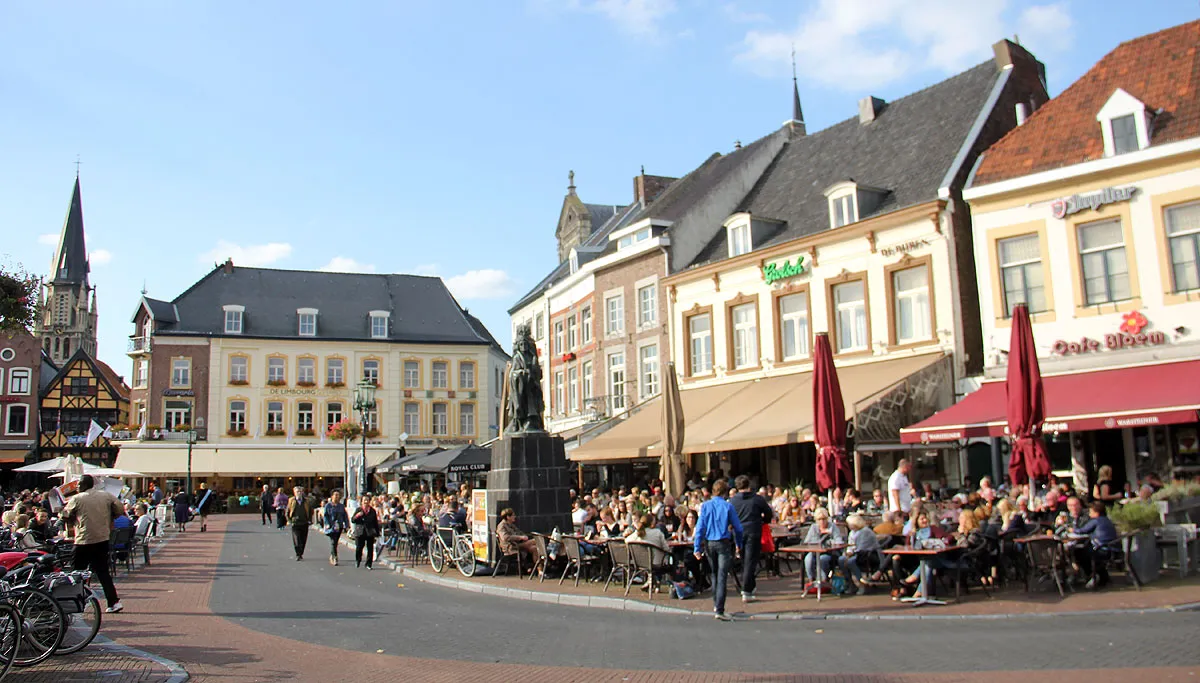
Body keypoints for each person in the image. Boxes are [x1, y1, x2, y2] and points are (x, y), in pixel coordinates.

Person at [60, 475, 124, 613]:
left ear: (83, 485)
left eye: (78, 485)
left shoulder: (77, 498)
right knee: (103, 572)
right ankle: (114, 601)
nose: (76, 487)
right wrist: (111, 517)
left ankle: (76, 600)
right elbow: (119, 507)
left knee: (77, 571)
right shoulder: (106, 495)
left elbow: (64, 515)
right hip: (102, 538)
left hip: (84, 539)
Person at [692, 479, 743, 621]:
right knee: (722, 576)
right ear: (725, 491)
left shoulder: (706, 506)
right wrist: (739, 544)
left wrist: (697, 547)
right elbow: (738, 528)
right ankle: (719, 609)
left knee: (714, 574)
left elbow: (700, 528)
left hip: (709, 543)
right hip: (723, 542)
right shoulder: (728, 507)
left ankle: (716, 604)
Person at [730, 474, 772, 603]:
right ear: (749, 485)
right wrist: (763, 521)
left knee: (744, 560)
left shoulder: (733, 501)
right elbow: (769, 513)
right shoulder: (757, 499)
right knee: (750, 561)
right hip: (753, 531)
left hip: (738, 532)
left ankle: (750, 586)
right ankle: (747, 590)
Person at [1073, 501, 1118, 589]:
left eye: (1091, 511)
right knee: (1083, 551)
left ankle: (1092, 575)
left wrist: (1073, 528)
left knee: (1078, 553)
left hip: (1101, 549)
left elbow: (1081, 530)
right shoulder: (1107, 520)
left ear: (1096, 512)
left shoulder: (1096, 521)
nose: (1089, 514)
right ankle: (1102, 576)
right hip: (1111, 548)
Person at [840, 513, 880, 595]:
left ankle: (861, 583)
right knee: (841, 560)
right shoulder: (852, 532)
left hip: (867, 554)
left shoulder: (866, 531)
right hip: (856, 553)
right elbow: (850, 545)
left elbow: (862, 547)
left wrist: (851, 553)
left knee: (850, 562)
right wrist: (848, 552)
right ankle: (850, 583)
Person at [802, 508, 844, 583]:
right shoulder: (814, 527)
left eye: (824, 519)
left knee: (823, 559)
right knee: (808, 559)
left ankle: (824, 580)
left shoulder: (832, 527)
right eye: (819, 519)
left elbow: (839, 540)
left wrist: (829, 540)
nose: (822, 521)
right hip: (815, 552)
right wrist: (819, 540)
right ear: (816, 520)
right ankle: (811, 580)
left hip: (829, 553)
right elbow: (807, 541)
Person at [352, 494, 380, 569]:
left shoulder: (372, 511)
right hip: (360, 531)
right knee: (359, 547)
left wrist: (377, 532)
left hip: (369, 532)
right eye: (364, 500)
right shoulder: (358, 509)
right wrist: (358, 515)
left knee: (370, 548)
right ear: (361, 502)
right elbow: (353, 520)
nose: (366, 502)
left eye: (367, 500)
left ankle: (368, 564)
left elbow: (375, 522)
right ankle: (358, 560)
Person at [322, 491, 350, 566]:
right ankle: (335, 557)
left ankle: (332, 554)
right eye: (335, 495)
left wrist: (347, 525)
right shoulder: (328, 506)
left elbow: (345, 516)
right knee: (333, 541)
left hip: (339, 526)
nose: (337, 497)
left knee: (335, 542)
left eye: (338, 495)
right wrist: (327, 524)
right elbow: (325, 515)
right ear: (332, 496)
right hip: (331, 526)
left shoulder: (341, 506)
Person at [286, 486, 312, 560]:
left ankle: (301, 552)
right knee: (297, 539)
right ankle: (298, 554)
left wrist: (309, 520)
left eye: (300, 491)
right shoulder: (291, 500)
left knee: (303, 539)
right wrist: (289, 520)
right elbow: (287, 511)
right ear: (294, 492)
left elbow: (310, 511)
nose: (299, 493)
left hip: (304, 522)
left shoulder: (306, 501)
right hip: (295, 523)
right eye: (297, 491)